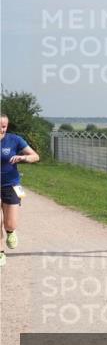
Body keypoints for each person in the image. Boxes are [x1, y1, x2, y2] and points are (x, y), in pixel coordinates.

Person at [1, 113, 41, 267]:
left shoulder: (14, 140)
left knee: (9, 223)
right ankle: (0, 253)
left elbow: (35, 156)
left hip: (11, 184)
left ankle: (10, 232)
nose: (1, 129)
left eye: (4, 126)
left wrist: (22, 158)